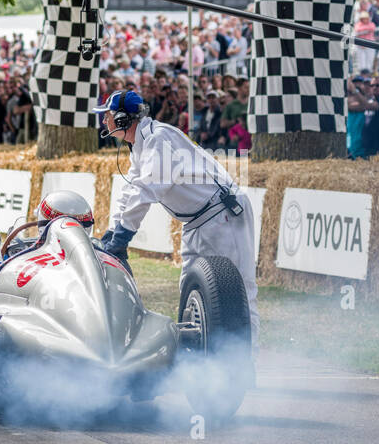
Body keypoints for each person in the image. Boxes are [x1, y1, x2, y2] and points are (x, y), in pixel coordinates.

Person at [96, 89, 260, 351]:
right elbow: (131, 190)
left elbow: (148, 189)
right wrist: (114, 230)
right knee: (192, 288)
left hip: (222, 214)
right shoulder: (142, 143)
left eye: (107, 116)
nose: (104, 122)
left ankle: (244, 364)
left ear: (124, 119)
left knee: (240, 293)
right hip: (198, 220)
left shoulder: (159, 138)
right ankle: (199, 359)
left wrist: (123, 236)